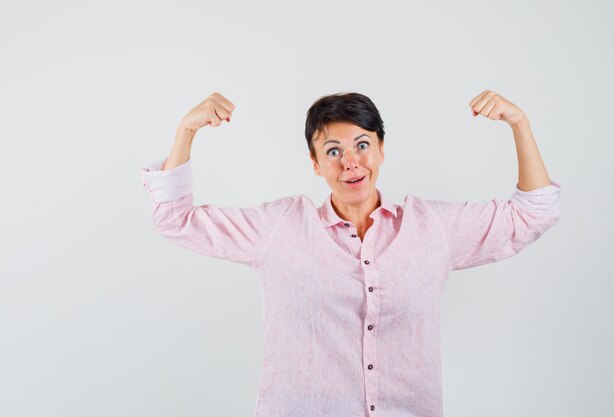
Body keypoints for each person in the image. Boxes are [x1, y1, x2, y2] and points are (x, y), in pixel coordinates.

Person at [140, 90, 561, 417]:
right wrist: (186, 131)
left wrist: (519, 124)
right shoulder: (281, 228)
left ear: (381, 150)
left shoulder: (431, 227)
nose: (350, 163)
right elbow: (175, 219)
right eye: (333, 151)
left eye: (362, 145)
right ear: (315, 164)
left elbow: (532, 214)